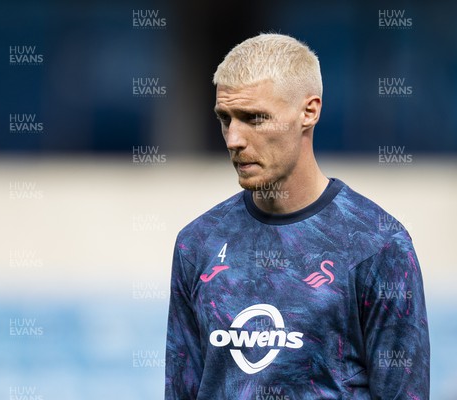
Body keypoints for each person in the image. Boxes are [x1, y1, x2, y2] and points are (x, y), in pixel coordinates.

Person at [164, 33, 430, 399]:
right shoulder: (198, 243)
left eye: (254, 118)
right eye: (225, 119)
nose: (233, 139)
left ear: (309, 111)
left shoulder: (377, 245)